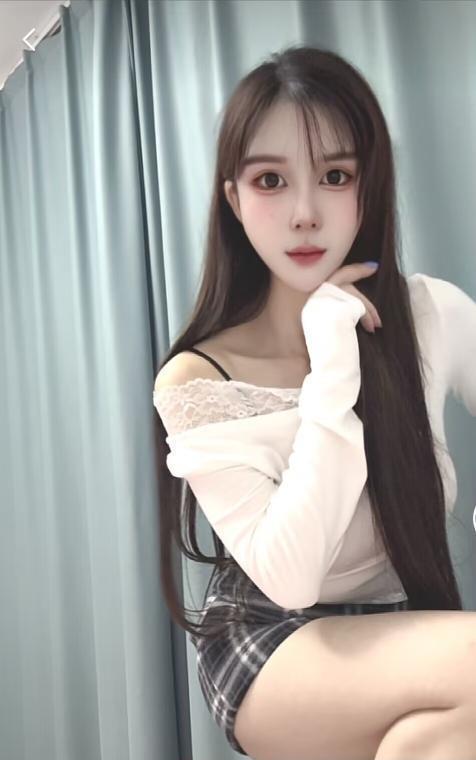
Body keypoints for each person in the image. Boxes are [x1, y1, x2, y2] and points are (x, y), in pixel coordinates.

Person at [153, 44, 476, 760]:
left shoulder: (433, 313)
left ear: (369, 187)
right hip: (270, 636)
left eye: (335, 176)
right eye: (271, 180)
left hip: (401, 626)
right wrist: (333, 359)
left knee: (443, 737)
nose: (305, 214)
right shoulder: (199, 381)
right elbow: (292, 576)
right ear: (234, 199)